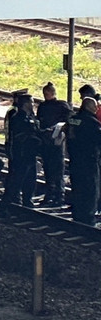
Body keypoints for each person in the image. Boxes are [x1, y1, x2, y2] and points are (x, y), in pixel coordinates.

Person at [2, 94, 42, 208]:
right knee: (18, 177)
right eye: (31, 102)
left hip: (31, 153)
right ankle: (12, 199)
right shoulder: (17, 118)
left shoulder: (31, 117)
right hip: (21, 152)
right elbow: (19, 136)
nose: (33, 105)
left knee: (31, 178)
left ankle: (27, 199)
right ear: (25, 104)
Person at [66, 97, 101, 225]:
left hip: (75, 159)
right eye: (95, 106)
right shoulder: (92, 122)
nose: (97, 108)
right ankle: (88, 216)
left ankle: (77, 213)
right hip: (89, 160)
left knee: (77, 186)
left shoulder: (73, 119)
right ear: (89, 107)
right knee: (90, 188)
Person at [36, 82, 71, 207]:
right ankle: (50, 193)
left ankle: (59, 195)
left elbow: (68, 120)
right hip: (46, 142)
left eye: (47, 93)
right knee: (48, 169)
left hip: (57, 142)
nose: (45, 96)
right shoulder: (43, 106)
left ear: (53, 93)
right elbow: (39, 120)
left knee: (58, 170)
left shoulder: (62, 106)